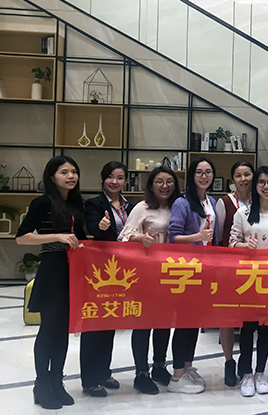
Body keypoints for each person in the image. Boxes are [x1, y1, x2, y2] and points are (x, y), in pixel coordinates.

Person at [17, 156, 86, 410]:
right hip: (52, 271)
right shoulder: (43, 202)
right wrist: (57, 236)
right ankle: (42, 384)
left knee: (62, 331)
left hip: (73, 271)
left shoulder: (76, 203)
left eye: (74, 171)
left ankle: (57, 380)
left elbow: (81, 239)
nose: (70, 176)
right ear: (51, 176)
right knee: (48, 329)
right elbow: (22, 237)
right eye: (64, 172)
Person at [118, 166, 182, 395]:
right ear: (151, 185)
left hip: (171, 273)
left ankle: (159, 366)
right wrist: (140, 238)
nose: (164, 186)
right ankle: (141, 373)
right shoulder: (142, 207)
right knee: (143, 323)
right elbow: (123, 237)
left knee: (164, 322)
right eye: (159, 181)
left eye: (169, 181)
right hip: (146, 274)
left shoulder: (179, 206)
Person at [229, 166, 268, 397]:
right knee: (247, 328)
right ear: (255, 186)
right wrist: (246, 246)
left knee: (265, 328)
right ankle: (246, 373)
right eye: (261, 182)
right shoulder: (242, 213)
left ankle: (260, 372)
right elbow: (231, 243)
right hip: (248, 279)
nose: (266, 186)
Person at [80, 161, 134, 397]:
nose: (115, 181)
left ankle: (103, 372)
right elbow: (93, 227)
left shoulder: (130, 206)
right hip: (100, 271)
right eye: (110, 177)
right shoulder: (94, 203)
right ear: (103, 179)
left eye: (120, 177)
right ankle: (89, 379)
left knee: (111, 320)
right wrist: (100, 226)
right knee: (94, 323)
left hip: (123, 270)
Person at [167, 157, 220, 394]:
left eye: (208, 172)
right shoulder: (182, 203)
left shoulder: (211, 201)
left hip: (205, 269)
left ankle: (187, 366)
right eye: (199, 172)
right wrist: (198, 237)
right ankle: (177, 375)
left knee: (195, 322)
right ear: (192, 176)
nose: (204, 176)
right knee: (184, 322)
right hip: (186, 271)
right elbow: (174, 237)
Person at [215, 160, 254, 387]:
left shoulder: (261, 200)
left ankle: (245, 361)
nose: (243, 179)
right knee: (228, 317)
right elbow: (219, 236)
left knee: (250, 318)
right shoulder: (224, 202)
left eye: (247, 174)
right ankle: (229, 361)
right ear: (232, 180)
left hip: (255, 270)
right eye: (238, 175)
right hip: (229, 267)